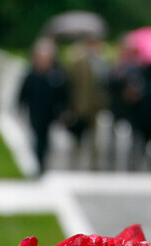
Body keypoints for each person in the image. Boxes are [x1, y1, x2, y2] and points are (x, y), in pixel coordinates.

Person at [17, 37, 67, 175]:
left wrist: (62, 110)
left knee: (46, 139)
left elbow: (62, 94)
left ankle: (43, 163)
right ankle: (39, 163)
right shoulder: (32, 74)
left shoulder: (56, 74)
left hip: (50, 112)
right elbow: (23, 94)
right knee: (37, 138)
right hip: (35, 112)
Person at [64, 37, 109, 170]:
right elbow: (71, 84)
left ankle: (95, 165)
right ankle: (74, 164)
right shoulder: (77, 63)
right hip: (79, 106)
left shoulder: (102, 63)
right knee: (77, 137)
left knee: (95, 138)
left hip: (95, 107)